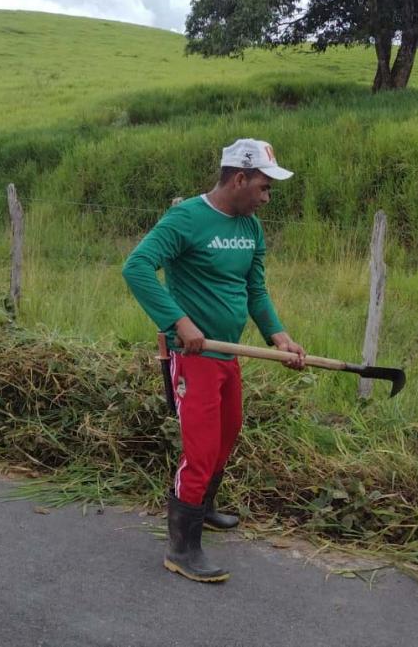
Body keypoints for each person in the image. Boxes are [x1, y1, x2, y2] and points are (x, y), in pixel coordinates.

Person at [121, 138, 306, 583]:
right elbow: (137, 267)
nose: (267, 197)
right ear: (239, 178)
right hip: (193, 358)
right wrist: (178, 323)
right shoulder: (186, 218)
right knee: (200, 451)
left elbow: (255, 291)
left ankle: (203, 509)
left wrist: (279, 337)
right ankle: (181, 549)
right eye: (263, 187)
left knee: (226, 435)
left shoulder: (251, 228)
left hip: (230, 355)